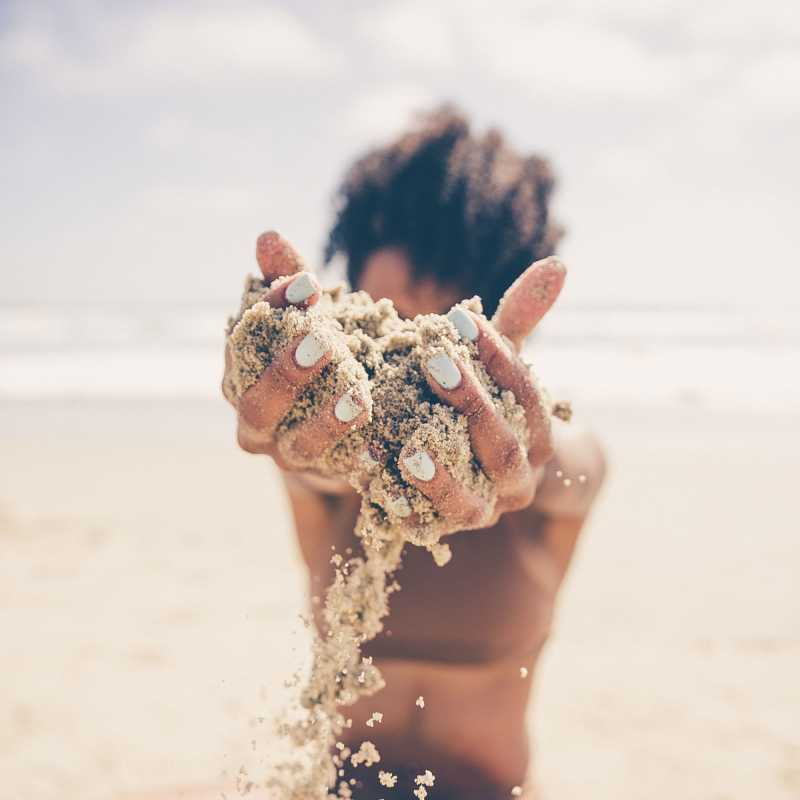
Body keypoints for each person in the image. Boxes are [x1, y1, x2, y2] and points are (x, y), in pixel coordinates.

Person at [229, 106, 606, 799]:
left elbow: (574, 474)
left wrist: (530, 457)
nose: (413, 375)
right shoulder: (334, 470)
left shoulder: (550, 469)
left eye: (441, 346)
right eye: (392, 334)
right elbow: (317, 478)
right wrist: (301, 439)